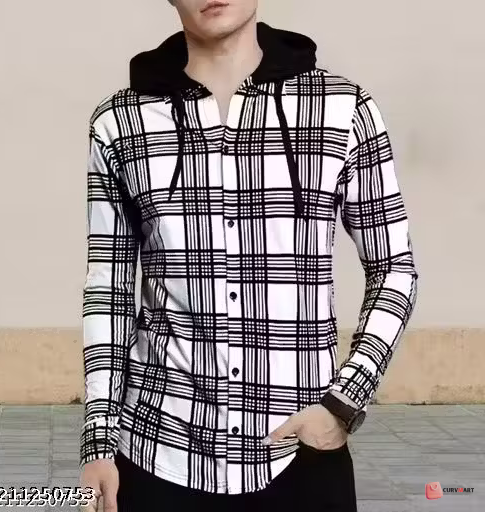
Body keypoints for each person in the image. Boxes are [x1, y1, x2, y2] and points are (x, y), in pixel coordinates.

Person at [79, 1, 418, 511]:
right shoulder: (120, 122)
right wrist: (98, 443)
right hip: (157, 451)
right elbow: (107, 291)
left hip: (301, 453)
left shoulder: (342, 109)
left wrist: (344, 402)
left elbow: (394, 266)